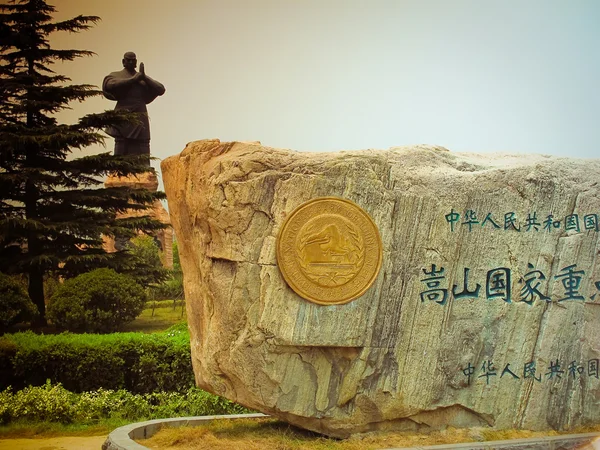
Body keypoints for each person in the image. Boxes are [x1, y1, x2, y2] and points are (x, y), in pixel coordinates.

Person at [102, 52, 166, 164]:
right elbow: (109, 85)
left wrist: (144, 76)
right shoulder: (117, 75)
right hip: (123, 114)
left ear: (136, 62)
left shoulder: (142, 79)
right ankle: (118, 169)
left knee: (144, 142)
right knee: (121, 141)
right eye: (128, 60)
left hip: (140, 114)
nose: (131, 62)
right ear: (123, 62)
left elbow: (161, 89)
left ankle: (145, 169)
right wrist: (133, 80)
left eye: (133, 60)